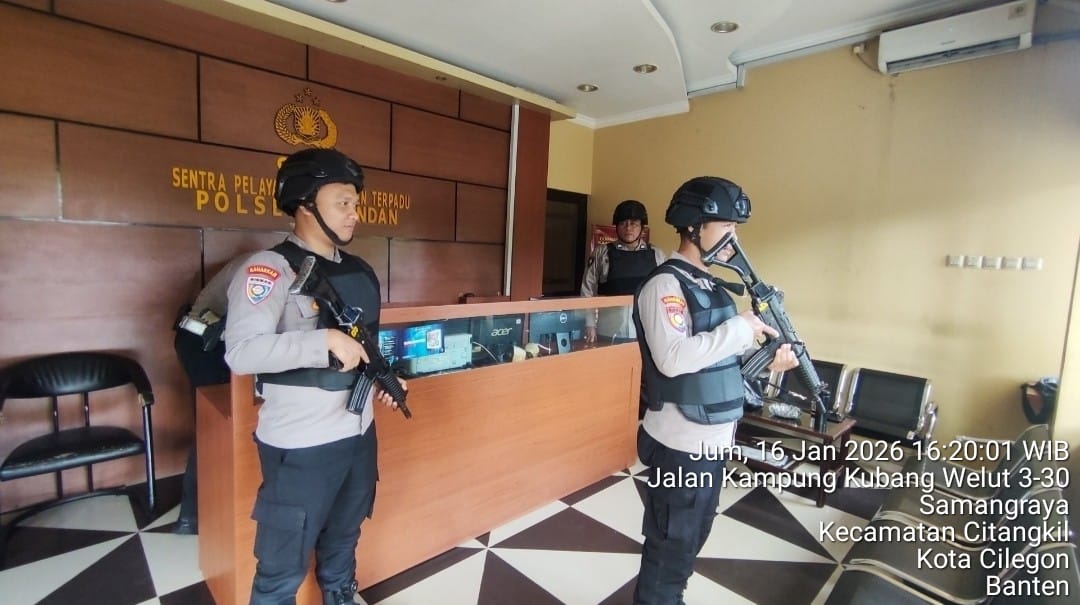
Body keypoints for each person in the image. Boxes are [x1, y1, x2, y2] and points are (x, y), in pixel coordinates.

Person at [224, 148, 403, 605]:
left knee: (344, 537)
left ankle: (339, 595)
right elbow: (241, 352)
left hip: (358, 433)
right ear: (305, 204)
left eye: (355, 203)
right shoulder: (268, 269)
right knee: (281, 566)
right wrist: (322, 341)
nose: (354, 213)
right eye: (342, 202)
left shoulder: (360, 271)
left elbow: (367, 344)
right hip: (301, 442)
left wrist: (385, 378)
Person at [631, 176, 798, 605]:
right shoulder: (665, 285)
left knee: (692, 538)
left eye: (735, 228)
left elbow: (719, 361)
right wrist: (740, 328)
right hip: (680, 444)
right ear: (694, 226)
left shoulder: (711, 284)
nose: (733, 238)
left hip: (713, 440)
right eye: (726, 226)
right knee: (670, 546)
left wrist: (767, 362)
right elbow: (673, 359)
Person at [171, 255, 247, 535]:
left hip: (216, 342)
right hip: (203, 343)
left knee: (222, 425)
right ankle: (191, 516)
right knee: (214, 426)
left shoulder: (274, 263)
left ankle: (217, 504)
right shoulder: (261, 267)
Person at [580, 200, 665, 345]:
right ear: (616, 226)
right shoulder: (601, 253)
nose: (628, 228)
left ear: (642, 227)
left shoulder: (657, 255)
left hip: (645, 331)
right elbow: (588, 290)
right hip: (608, 330)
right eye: (623, 223)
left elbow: (663, 293)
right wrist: (590, 324)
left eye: (634, 224)